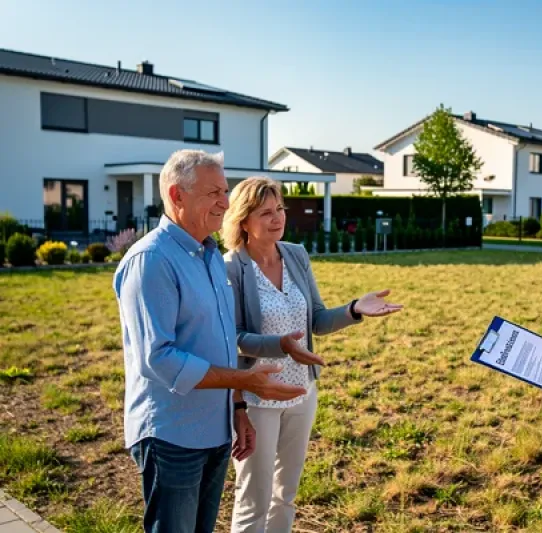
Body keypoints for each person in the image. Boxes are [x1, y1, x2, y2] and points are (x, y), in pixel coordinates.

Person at [113, 150, 307, 533]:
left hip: (215, 430)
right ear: (177, 195)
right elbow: (160, 359)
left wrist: (237, 409)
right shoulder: (151, 260)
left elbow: (221, 340)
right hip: (172, 436)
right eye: (213, 192)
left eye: (225, 190)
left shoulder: (210, 255)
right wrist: (244, 382)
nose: (224, 201)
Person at [222, 177, 403, 533]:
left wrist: (354, 309)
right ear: (243, 220)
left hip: (302, 391)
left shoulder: (295, 254)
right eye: (265, 213)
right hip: (259, 394)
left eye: (280, 210)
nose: (277, 219)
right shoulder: (232, 267)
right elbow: (233, 338)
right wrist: (280, 345)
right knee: (253, 499)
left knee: (285, 494)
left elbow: (316, 320)